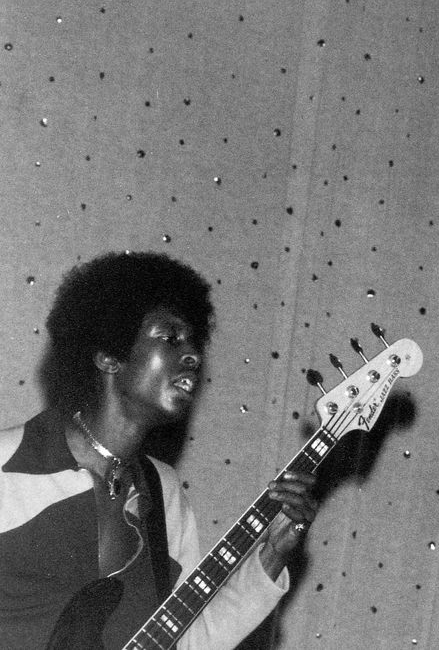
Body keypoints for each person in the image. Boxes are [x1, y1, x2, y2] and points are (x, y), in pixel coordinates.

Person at [0, 251, 319, 649]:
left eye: (194, 342)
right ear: (109, 355)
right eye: (170, 338)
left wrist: (271, 556)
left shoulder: (162, 491)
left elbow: (184, 642)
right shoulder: (6, 466)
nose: (194, 355)